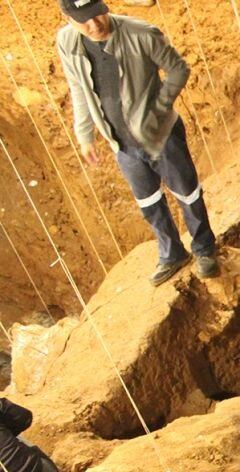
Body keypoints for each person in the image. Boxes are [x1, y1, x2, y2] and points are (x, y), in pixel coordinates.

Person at [55, 0, 219, 286]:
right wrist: (85, 135)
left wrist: (159, 109)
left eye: (97, 14)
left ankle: (204, 248)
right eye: (84, 20)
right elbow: (78, 87)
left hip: (161, 134)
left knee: (187, 193)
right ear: (67, 18)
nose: (95, 25)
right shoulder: (67, 41)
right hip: (121, 141)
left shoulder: (141, 33)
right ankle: (172, 254)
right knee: (149, 202)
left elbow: (178, 69)